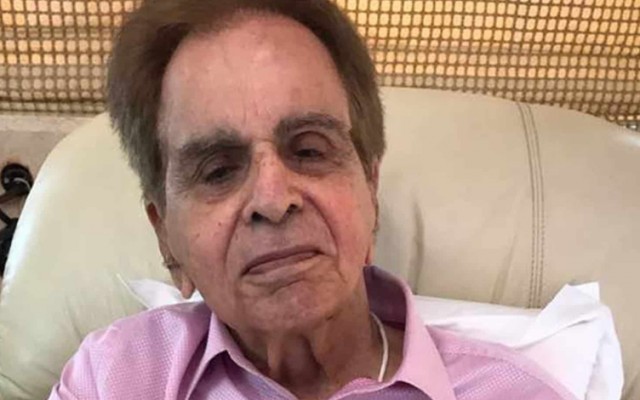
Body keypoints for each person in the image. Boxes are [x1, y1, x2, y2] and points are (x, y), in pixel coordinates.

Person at [50, 0, 577, 399]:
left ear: (370, 192)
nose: (273, 199)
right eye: (218, 171)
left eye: (309, 150)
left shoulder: (513, 391)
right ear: (166, 236)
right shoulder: (112, 378)